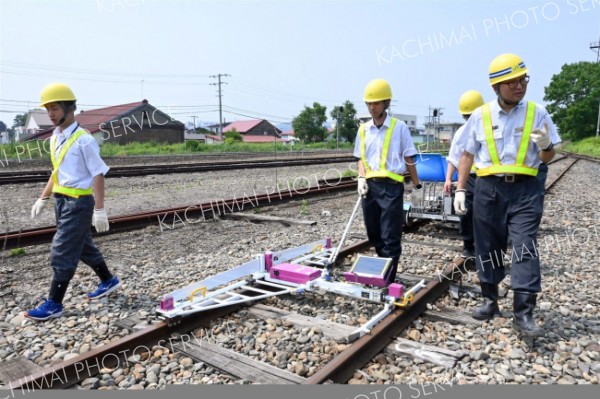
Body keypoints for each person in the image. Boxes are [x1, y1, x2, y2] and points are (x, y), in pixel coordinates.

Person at [454, 54, 560, 337]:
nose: (519, 86)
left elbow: (548, 156)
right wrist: (461, 189)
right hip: (489, 189)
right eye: (511, 82)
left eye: (522, 79)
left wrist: (547, 144)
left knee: (525, 246)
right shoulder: (481, 115)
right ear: (496, 87)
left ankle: (523, 312)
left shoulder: (537, 113)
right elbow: (467, 154)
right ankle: (490, 299)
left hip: (526, 189)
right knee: (487, 246)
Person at [26, 82, 120, 321]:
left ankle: (54, 303)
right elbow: (57, 172)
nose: (50, 114)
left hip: (78, 203)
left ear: (70, 109)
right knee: (82, 246)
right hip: (61, 201)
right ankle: (108, 280)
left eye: (55, 108)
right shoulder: (54, 138)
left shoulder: (84, 140)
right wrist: (43, 198)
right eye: (48, 109)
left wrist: (100, 209)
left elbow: (98, 173)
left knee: (62, 249)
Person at [354, 78, 422, 285]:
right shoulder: (363, 129)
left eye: (376, 103)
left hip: (392, 187)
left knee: (390, 235)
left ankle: (387, 280)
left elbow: (408, 157)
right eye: (369, 103)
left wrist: (417, 185)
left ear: (386, 103)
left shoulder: (399, 127)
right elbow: (360, 158)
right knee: (374, 233)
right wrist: (360, 177)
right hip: (370, 189)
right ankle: (383, 269)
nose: (372, 107)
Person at [443, 90, 485, 259]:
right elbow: (454, 158)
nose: (470, 119)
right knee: (466, 213)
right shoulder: (461, 132)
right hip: (468, 177)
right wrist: (448, 179)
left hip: (488, 177)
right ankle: (468, 245)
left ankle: (485, 246)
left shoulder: (490, 128)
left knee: (486, 213)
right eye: (467, 116)